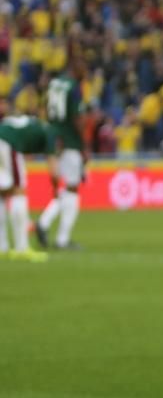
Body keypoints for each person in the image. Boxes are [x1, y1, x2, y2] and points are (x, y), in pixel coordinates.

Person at [35, 52, 88, 252]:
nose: (86, 72)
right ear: (75, 67)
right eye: (84, 67)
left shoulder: (55, 84)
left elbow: (47, 109)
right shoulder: (75, 88)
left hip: (55, 138)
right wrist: (84, 147)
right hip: (70, 141)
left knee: (66, 189)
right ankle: (56, 234)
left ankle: (47, 225)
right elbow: (78, 119)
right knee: (72, 190)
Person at [1, 106, 53, 264]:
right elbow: (52, 163)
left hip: (3, 139)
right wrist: (56, 186)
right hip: (8, 144)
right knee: (19, 191)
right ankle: (21, 248)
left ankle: (2, 247)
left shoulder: (28, 124)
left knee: (2, 194)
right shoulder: (47, 133)